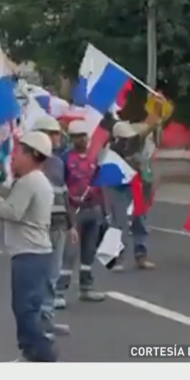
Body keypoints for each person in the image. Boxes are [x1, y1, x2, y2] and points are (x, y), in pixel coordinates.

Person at [0, 131, 65, 361]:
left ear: (32, 155)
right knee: (29, 306)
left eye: (19, 152)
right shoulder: (36, 181)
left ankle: (41, 353)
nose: (14, 157)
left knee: (24, 308)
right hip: (35, 253)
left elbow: (11, 212)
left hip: (30, 253)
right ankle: (31, 351)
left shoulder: (31, 181)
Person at [103, 119, 157, 271]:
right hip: (118, 188)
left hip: (136, 187)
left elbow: (144, 165)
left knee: (139, 221)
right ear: (117, 137)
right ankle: (117, 259)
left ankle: (141, 256)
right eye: (124, 138)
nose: (127, 140)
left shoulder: (136, 149)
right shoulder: (112, 149)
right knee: (119, 224)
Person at [63, 120, 107, 302]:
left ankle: (86, 287)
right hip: (74, 210)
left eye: (84, 136)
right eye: (77, 137)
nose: (82, 139)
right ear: (72, 139)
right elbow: (60, 184)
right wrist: (70, 200)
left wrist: (104, 210)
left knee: (89, 251)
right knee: (70, 252)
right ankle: (59, 291)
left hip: (93, 208)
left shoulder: (95, 158)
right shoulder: (64, 158)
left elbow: (100, 182)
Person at [33, 115, 73, 310]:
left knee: (54, 270)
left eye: (58, 133)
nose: (58, 137)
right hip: (37, 223)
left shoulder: (58, 162)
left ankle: (46, 314)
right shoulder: (29, 161)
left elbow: (63, 191)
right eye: (54, 133)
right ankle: (37, 312)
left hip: (58, 222)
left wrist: (70, 224)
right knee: (39, 269)